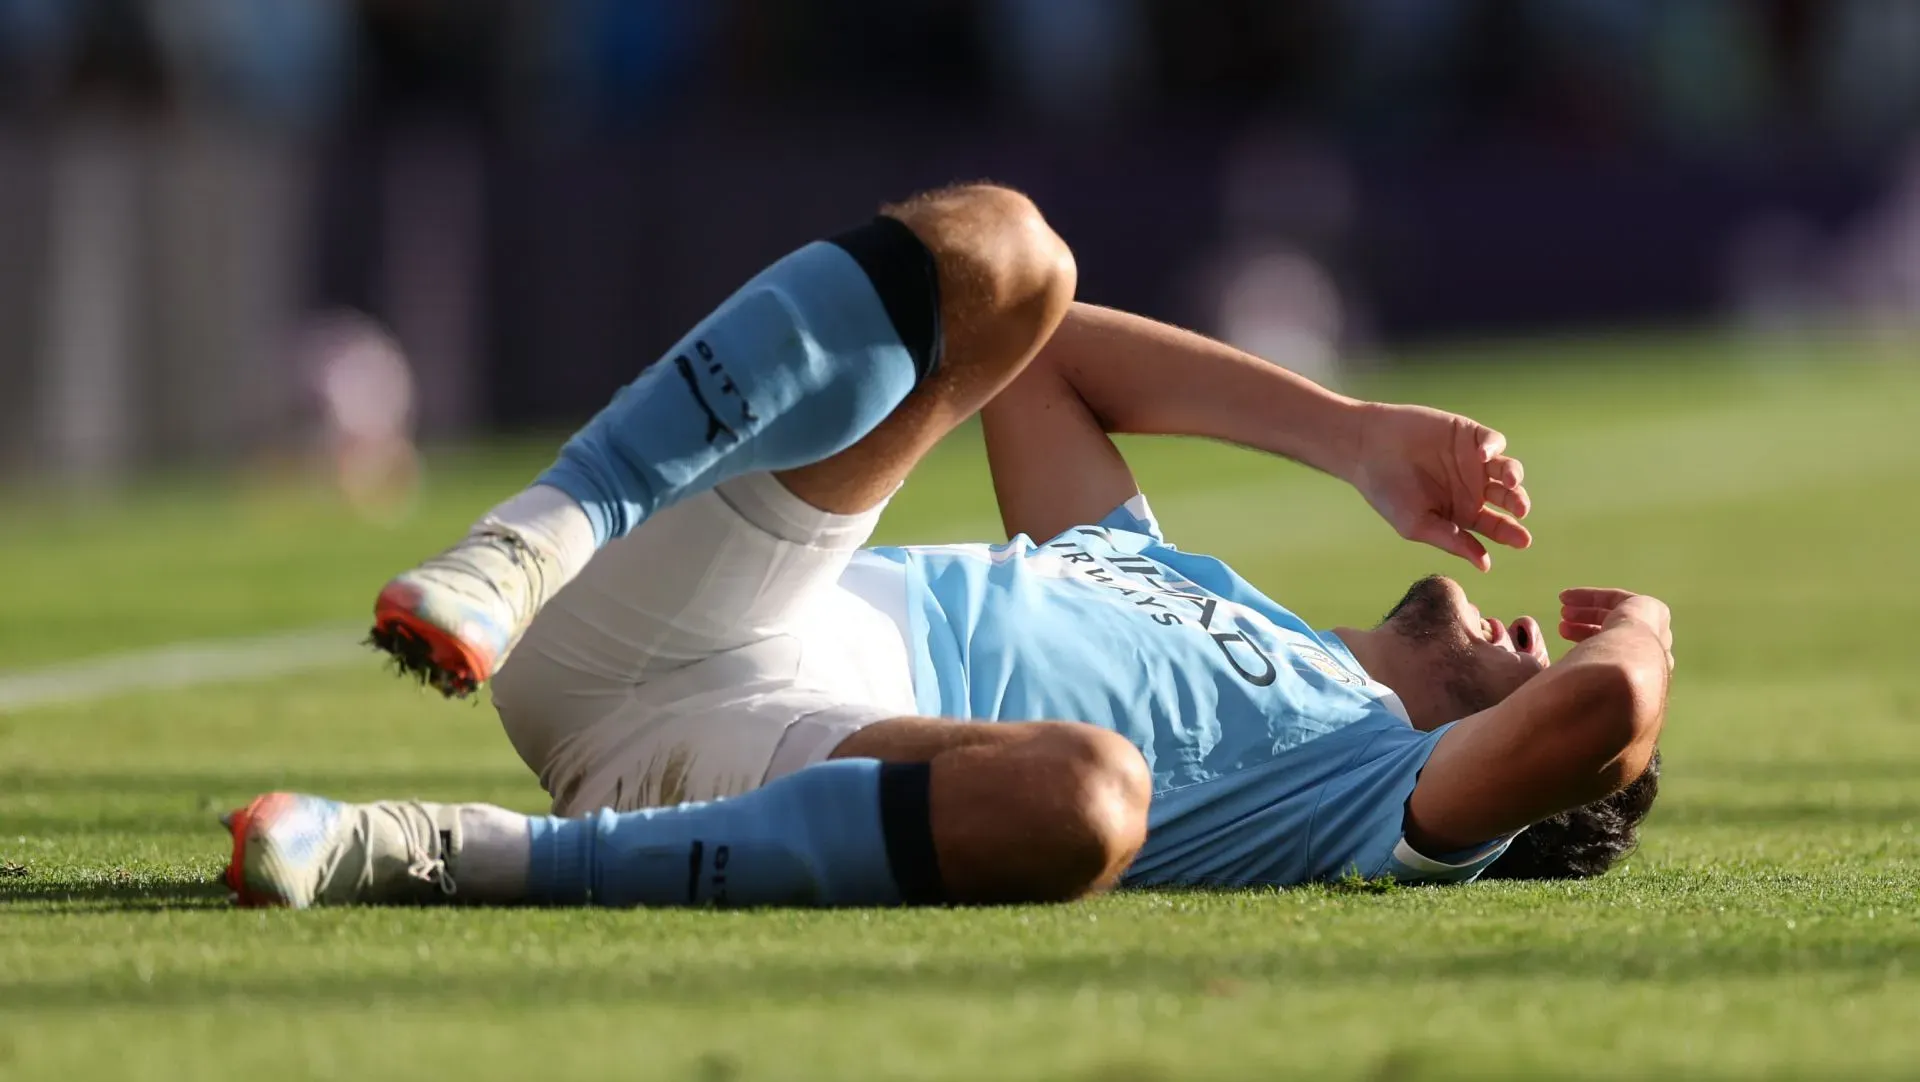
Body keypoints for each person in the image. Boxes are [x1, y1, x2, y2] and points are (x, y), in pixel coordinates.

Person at [218, 183, 1671, 909]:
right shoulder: (1195, 581)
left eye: (1542, 666)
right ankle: (529, 539)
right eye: (1565, 635)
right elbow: (1034, 357)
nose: (1544, 633)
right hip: (663, 603)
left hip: (742, 759)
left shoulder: (1386, 790)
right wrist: (1347, 432)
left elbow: (1603, 715)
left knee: (1091, 799)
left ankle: (439, 854)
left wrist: (1646, 632)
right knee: (1011, 254)